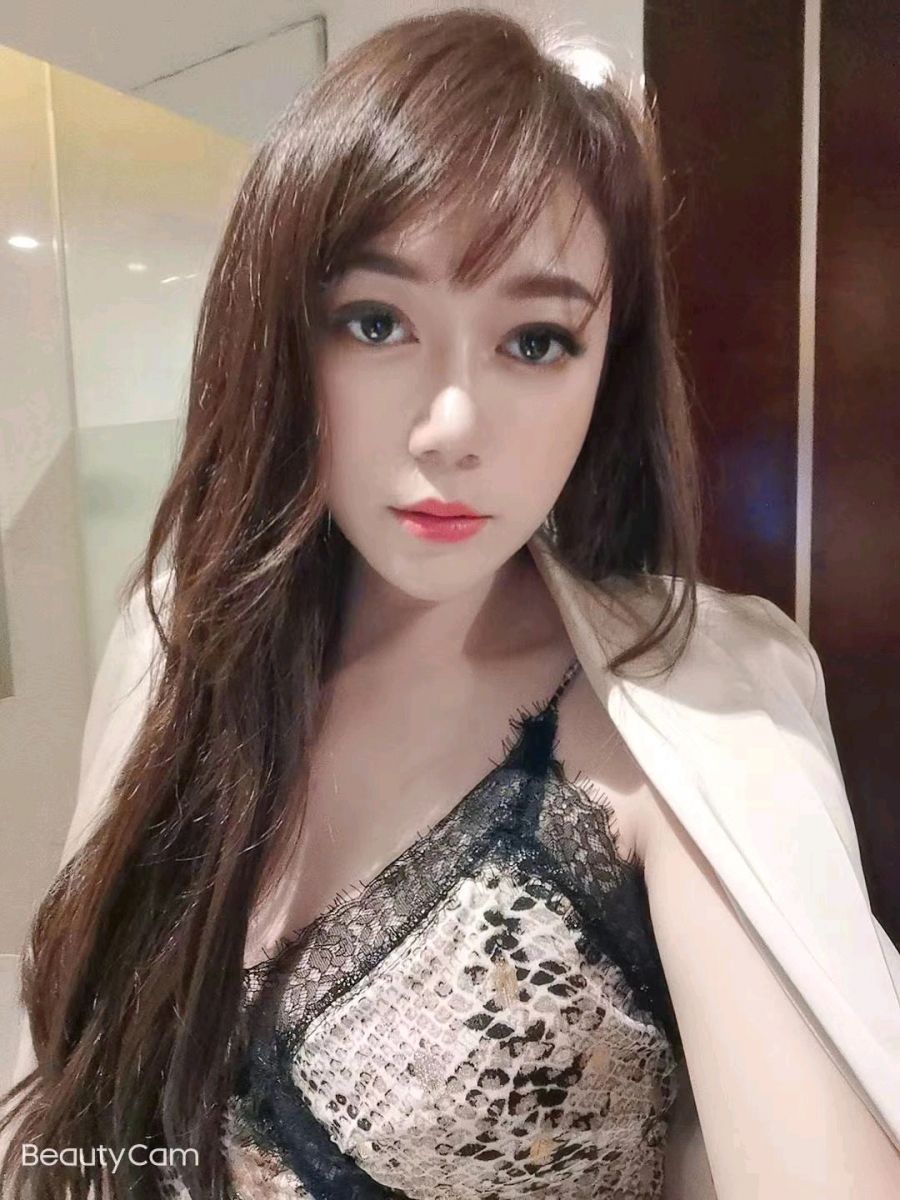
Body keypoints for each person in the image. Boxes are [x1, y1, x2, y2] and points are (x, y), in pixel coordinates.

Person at [2, 8, 899, 1199]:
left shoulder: (687, 725)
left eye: (536, 341)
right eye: (377, 323)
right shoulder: (177, 643)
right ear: (278, 338)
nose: (452, 428)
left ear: (608, 368)